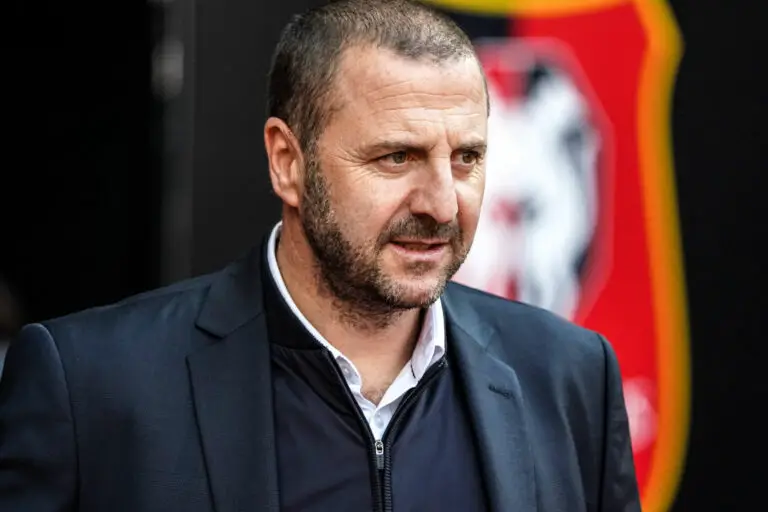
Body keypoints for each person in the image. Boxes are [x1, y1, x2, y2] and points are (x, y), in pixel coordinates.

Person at [0, 1, 640, 510]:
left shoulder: (569, 376)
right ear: (288, 162)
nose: (444, 205)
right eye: (398, 157)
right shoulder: (91, 387)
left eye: (466, 158)